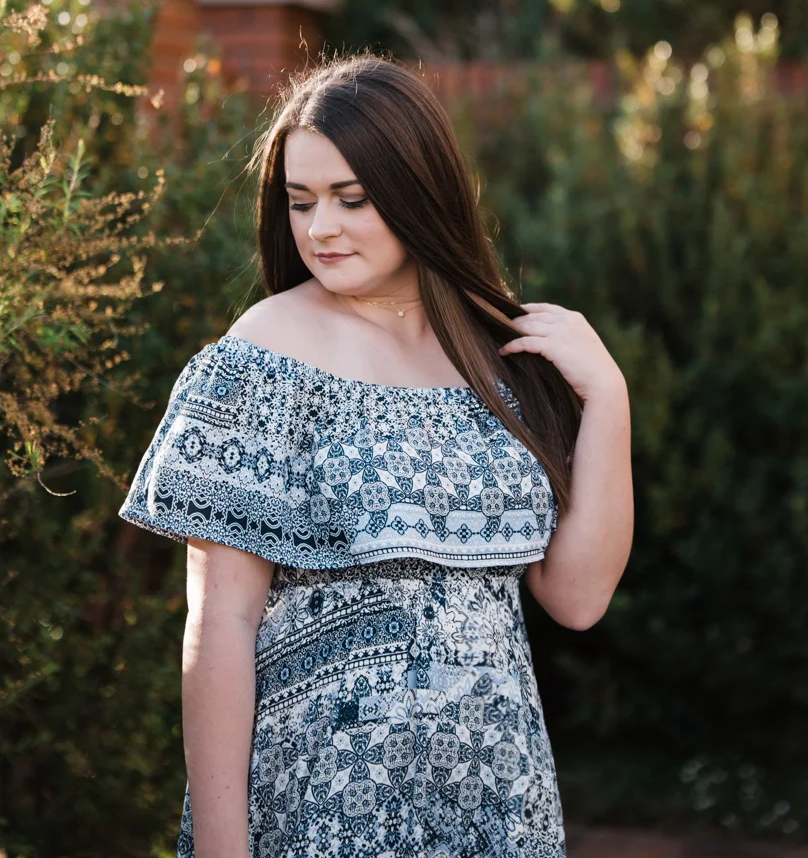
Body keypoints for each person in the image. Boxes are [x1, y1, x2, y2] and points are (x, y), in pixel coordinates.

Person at [118, 54, 633, 858]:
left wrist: (608, 395)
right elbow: (221, 622)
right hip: (325, 810)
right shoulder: (264, 357)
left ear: (418, 191)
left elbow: (577, 598)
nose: (319, 228)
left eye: (351, 199)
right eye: (301, 201)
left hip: (499, 808)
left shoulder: (499, 359)